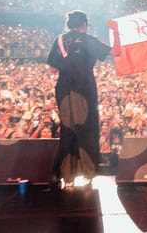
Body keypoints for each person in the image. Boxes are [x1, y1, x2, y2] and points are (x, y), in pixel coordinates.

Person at [46, 11, 120, 188]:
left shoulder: (59, 40)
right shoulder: (88, 40)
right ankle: (87, 173)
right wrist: (116, 31)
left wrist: (68, 64)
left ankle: (68, 176)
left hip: (64, 89)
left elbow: (52, 69)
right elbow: (117, 51)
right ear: (84, 25)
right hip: (84, 88)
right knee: (86, 130)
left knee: (67, 130)